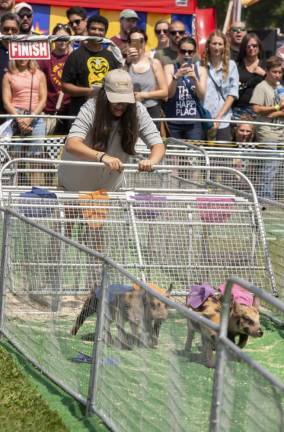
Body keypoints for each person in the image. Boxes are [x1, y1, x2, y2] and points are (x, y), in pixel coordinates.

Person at [58, 69, 165, 192]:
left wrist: (152, 161)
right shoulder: (90, 108)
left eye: (125, 99)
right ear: (105, 94)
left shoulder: (138, 111)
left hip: (108, 189)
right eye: (115, 99)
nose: (120, 104)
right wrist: (102, 157)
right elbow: (72, 144)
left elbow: (158, 144)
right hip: (74, 186)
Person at [61, 14, 121, 117]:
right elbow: (65, 86)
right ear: (87, 30)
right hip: (80, 114)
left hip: (106, 114)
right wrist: (90, 91)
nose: (97, 32)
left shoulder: (111, 57)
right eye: (93, 29)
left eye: (101, 30)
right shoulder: (75, 55)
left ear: (105, 33)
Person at [250, 56, 284, 200]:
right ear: (268, 71)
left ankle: (270, 194)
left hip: (280, 129)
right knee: (269, 165)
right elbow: (256, 109)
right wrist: (277, 108)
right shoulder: (261, 87)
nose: (277, 75)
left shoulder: (281, 88)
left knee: (276, 167)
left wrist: (276, 112)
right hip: (267, 131)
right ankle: (266, 197)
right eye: (274, 72)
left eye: (280, 72)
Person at [164, 36, 206, 140]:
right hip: (173, 121)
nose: (186, 55)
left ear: (194, 52)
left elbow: (201, 96)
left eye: (190, 52)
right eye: (183, 51)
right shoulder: (169, 68)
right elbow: (169, 95)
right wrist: (175, 77)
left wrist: (195, 79)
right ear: (178, 51)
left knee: (194, 155)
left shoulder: (201, 70)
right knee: (173, 155)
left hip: (193, 123)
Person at [125, 28, 167, 128]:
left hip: (151, 110)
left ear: (145, 42)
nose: (138, 44)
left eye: (141, 41)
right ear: (129, 44)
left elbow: (165, 92)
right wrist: (127, 62)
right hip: (130, 110)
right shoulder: (124, 63)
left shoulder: (154, 63)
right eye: (133, 41)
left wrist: (144, 95)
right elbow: (118, 86)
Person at [203, 30, 239, 141]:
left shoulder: (231, 66)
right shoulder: (200, 65)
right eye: (214, 43)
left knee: (221, 155)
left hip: (223, 117)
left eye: (220, 44)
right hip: (203, 117)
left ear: (224, 46)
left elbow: (232, 94)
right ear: (208, 45)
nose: (217, 47)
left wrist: (219, 117)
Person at [37, 23, 72, 135]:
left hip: (68, 110)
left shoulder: (74, 58)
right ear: (52, 39)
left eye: (65, 38)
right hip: (48, 111)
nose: (62, 41)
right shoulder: (44, 58)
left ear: (70, 40)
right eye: (58, 38)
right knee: (47, 149)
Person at [233, 33, 266, 119]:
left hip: (258, 110)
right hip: (237, 109)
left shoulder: (266, 65)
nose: (251, 48)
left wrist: (265, 74)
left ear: (259, 47)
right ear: (244, 48)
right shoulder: (236, 64)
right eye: (248, 46)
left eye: (254, 46)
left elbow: (275, 84)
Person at [0, 12, 19, 123]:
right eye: (6, 29)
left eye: (14, 29)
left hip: (19, 111)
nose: (10, 32)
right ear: (0, 29)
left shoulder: (26, 51)